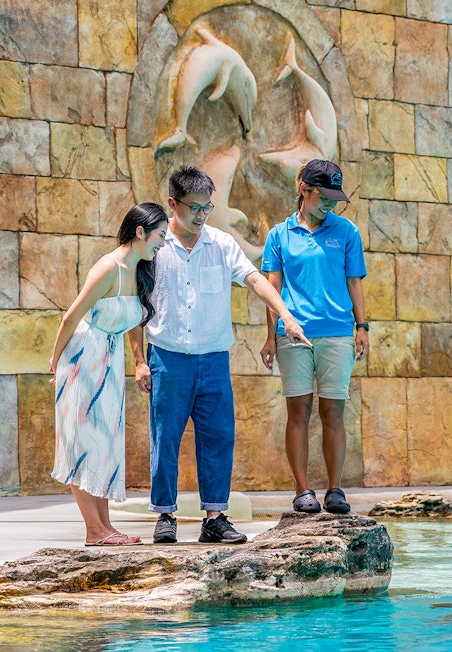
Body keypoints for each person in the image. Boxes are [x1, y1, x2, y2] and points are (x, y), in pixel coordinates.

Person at [129, 165, 311, 544]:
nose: (200, 215)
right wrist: (139, 360)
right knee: (166, 439)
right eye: (194, 207)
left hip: (213, 359)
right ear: (172, 204)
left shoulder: (222, 244)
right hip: (168, 356)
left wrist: (286, 316)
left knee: (218, 437)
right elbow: (136, 306)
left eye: (207, 207)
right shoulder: (156, 249)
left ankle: (215, 517)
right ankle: (165, 515)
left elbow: (255, 279)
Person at [50, 201, 170, 546]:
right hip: (84, 357)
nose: (162, 243)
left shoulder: (139, 271)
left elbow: (134, 321)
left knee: (104, 442)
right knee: (82, 440)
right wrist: (55, 362)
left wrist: (137, 360)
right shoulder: (107, 267)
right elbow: (70, 316)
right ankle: (94, 530)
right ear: (140, 232)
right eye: (159, 236)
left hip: (110, 360)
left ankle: (105, 526)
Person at [259, 159, 368, 514]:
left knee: (333, 411)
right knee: (299, 411)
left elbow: (354, 281)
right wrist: (270, 336)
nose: (330, 204)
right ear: (304, 190)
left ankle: (335, 489)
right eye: (324, 196)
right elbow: (272, 289)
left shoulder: (347, 231)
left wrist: (362, 325)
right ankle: (302, 490)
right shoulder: (279, 235)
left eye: (335, 198)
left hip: (337, 333)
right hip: (294, 335)